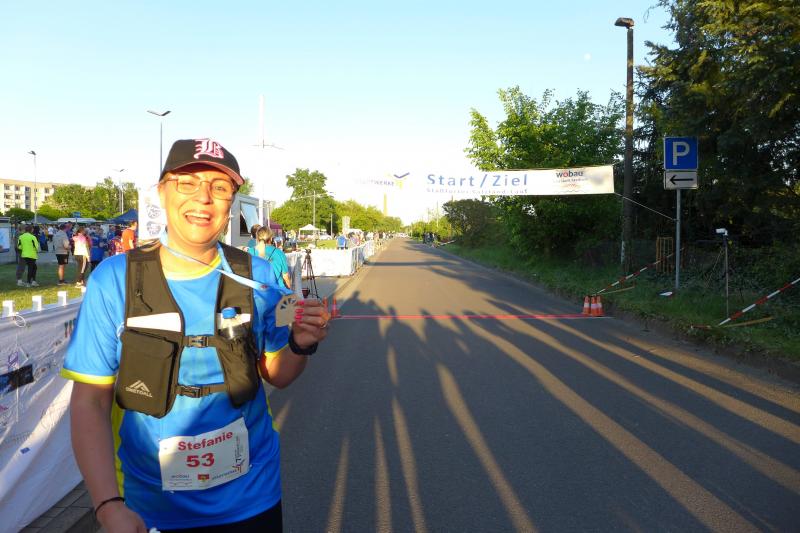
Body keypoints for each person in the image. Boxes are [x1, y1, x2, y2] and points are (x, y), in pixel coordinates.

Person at [61, 138, 329, 532]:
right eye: (187, 183)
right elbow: (89, 402)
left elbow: (279, 373)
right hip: (149, 506)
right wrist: (107, 506)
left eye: (219, 187)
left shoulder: (258, 276)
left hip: (252, 497)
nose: (203, 198)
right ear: (162, 192)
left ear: (231, 201)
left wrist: (300, 344)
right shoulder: (114, 280)